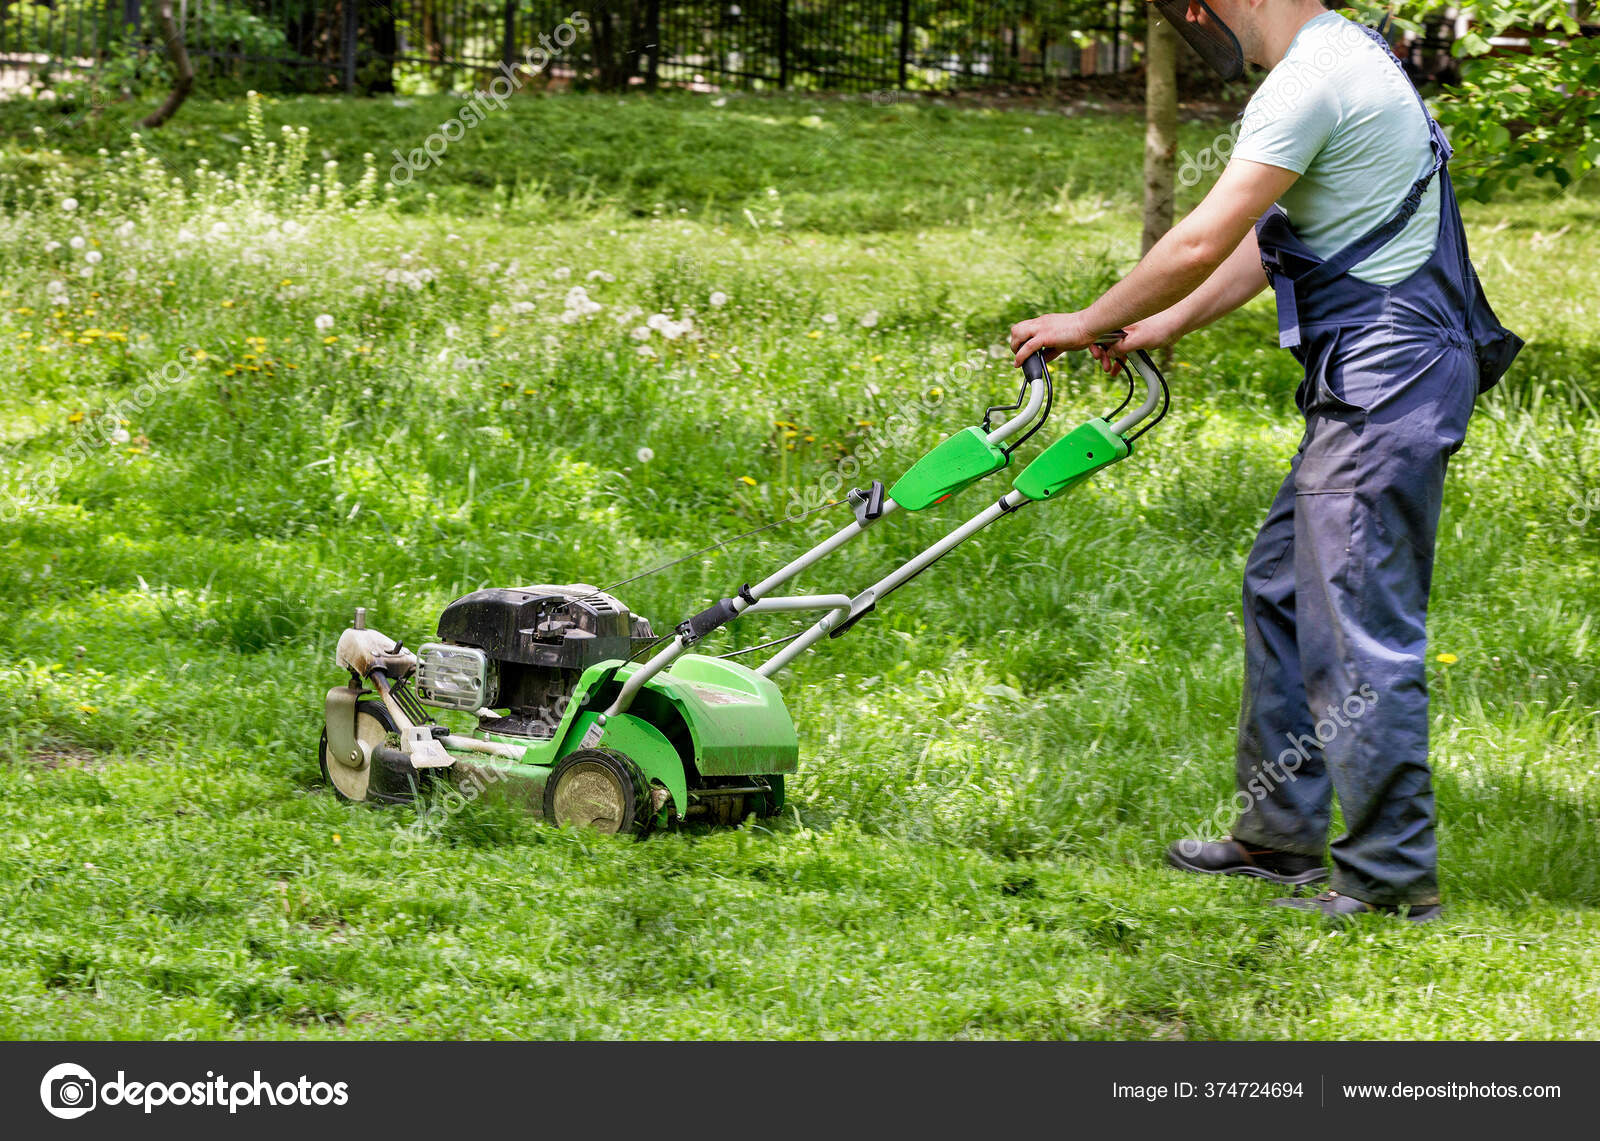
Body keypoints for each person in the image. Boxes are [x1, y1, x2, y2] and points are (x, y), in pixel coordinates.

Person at [1008, 0, 1520, 921]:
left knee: (1353, 617)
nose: (1195, 15)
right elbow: (1262, 241)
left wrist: (1085, 319)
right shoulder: (1346, 55)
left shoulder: (1310, 78)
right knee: (1284, 589)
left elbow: (1201, 238)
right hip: (1382, 369)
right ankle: (1278, 836)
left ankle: (1391, 880)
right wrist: (1159, 323)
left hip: (1390, 374)